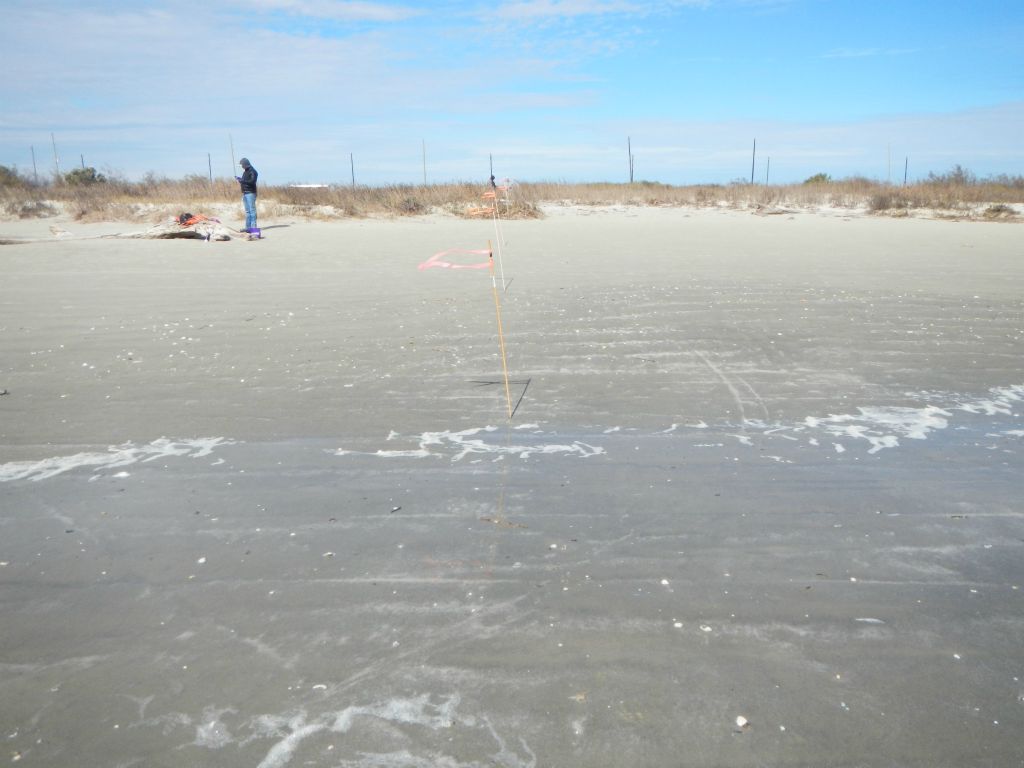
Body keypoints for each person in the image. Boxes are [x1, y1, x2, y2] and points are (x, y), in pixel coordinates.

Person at [235, 158, 258, 232]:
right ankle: (247, 228)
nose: (241, 166)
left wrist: (242, 180)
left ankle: (253, 228)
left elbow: (252, 181)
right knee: (247, 211)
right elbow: (245, 181)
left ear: (245, 164)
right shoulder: (245, 172)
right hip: (245, 193)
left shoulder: (253, 171)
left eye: (242, 165)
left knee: (252, 211)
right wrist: (240, 179)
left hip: (250, 193)